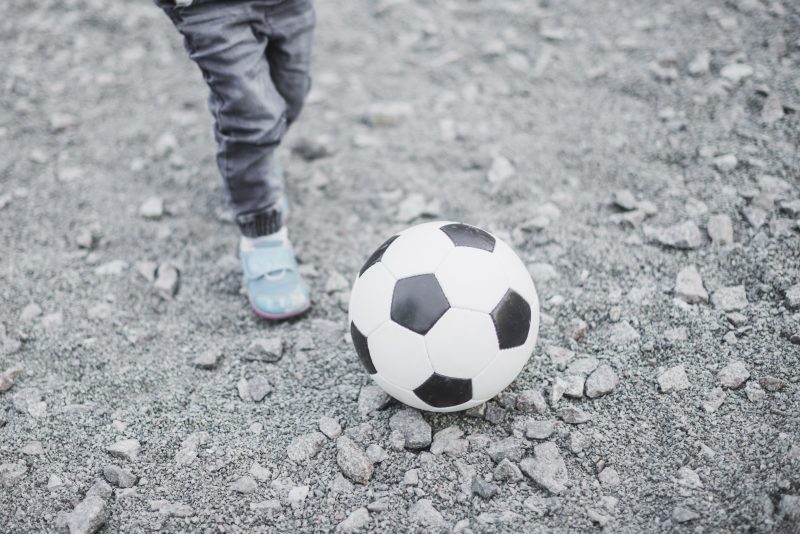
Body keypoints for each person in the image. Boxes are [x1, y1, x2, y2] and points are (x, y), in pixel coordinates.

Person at [155, 0, 316, 319]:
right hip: (211, 9)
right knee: (251, 116)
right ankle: (262, 232)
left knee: (289, 94)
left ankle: (256, 167)